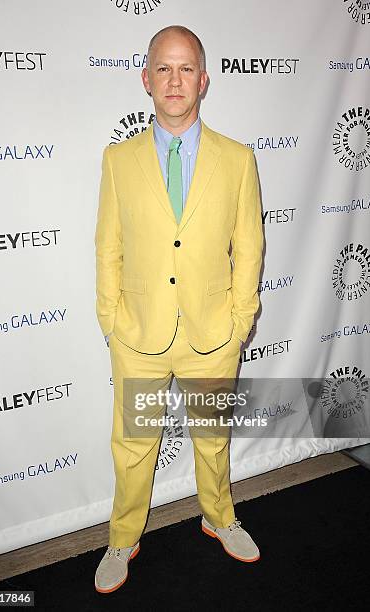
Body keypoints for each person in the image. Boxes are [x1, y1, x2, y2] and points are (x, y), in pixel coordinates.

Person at [94, 25, 264, 593]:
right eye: (163, 69)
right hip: (138, 334)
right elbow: (108, 245)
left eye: (185, 68)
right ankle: (123, 537)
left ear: (204, 80)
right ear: (146, 79)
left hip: (213, 333)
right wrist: (110, 321)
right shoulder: (118, 160)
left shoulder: (238, 160)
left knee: (212, 438)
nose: (174, 80)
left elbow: (250, 246)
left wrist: (240, 321)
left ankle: (220, 517)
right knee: (134, 445)